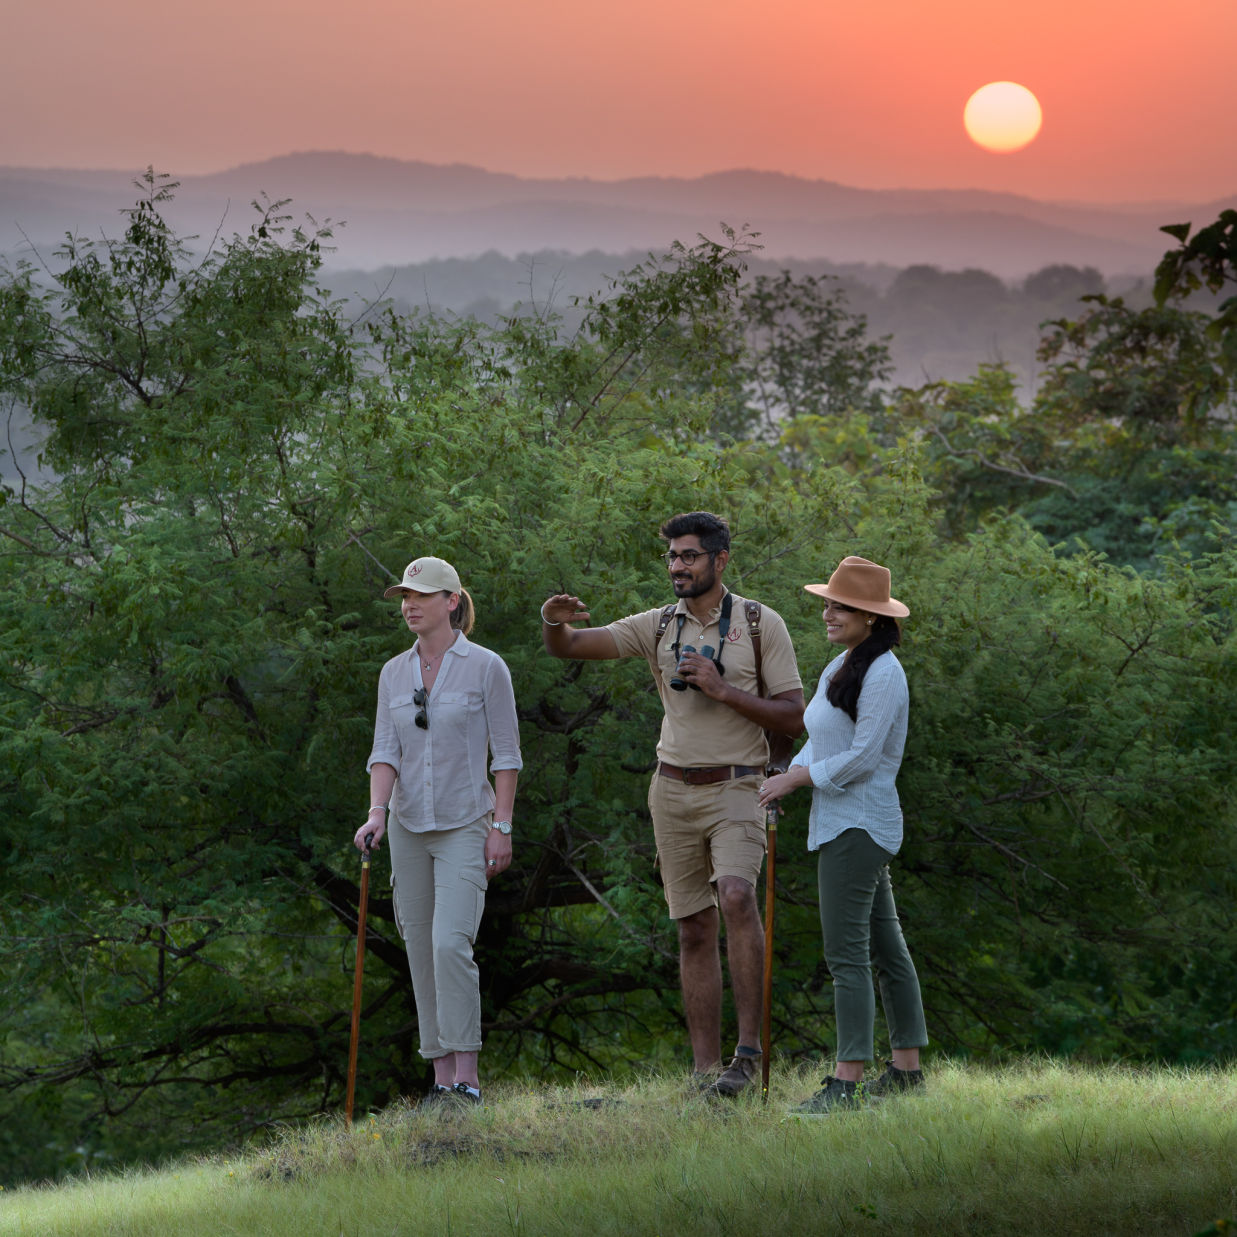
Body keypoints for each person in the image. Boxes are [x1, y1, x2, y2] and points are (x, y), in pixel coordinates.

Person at [540, 512, 804, 1097]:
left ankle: (748, 1056)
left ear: (720, 560)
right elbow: (573, 647)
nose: (677, 567)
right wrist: (552, 625)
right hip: (671, 789)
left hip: (739, 783)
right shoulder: (658, 624)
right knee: (691, 928)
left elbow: (795, 716)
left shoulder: (762, 624)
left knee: (736, 897)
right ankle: (704, 1073)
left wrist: (722, 688)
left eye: (689, 556)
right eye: (672, 557)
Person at [758, 556, 927, 1113]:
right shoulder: (844, 664)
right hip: (840, 821)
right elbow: (825, 740)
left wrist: (800, 779)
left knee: (846, 957)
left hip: (860, 824)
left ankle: (845, 1083)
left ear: (872, 618)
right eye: (827, 603)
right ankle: (906, 1072)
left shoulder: (884, 673)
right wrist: (787, 773)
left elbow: (863, 758)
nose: (827, 613)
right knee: (885, 948)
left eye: (840, 607)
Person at [354, 555, 522, 1108]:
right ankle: (441, 1080)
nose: (410, 605)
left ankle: (468, 1080)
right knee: (420, 947)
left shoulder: (486, 666)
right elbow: (385, 750)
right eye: (405, 596)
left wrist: (502, 826)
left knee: (452, 944)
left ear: (452, 601)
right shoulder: (392, 672)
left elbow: (508, 756)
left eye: (421, 596)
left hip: (465, 824)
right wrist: (376, 813)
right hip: (405, 826)